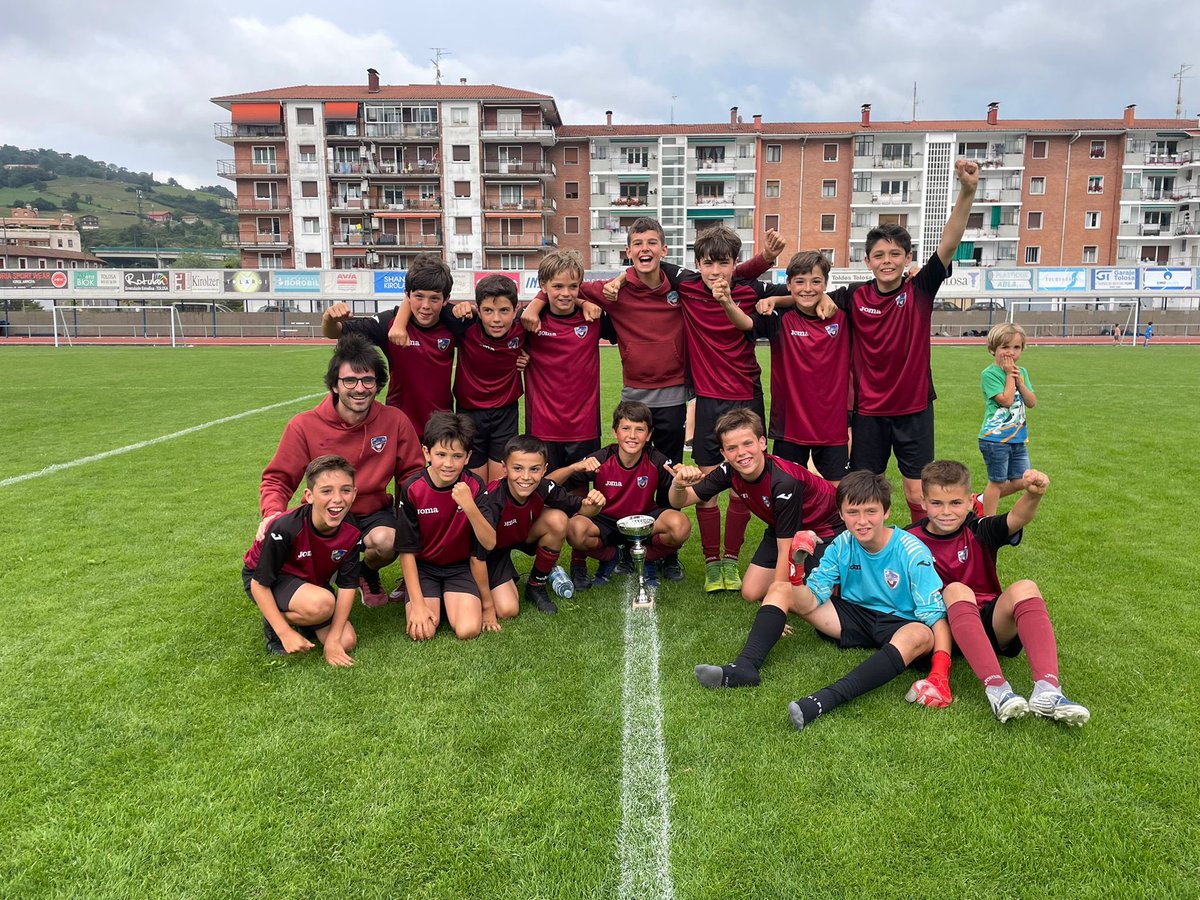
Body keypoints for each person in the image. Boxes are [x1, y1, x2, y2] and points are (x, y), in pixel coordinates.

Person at [690, 470, 949, 732]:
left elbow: (936, 617)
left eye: (871, 512)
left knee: (921, 634)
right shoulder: (841, 544)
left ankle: (825, 700)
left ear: (886, 512)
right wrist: (797, 567)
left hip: (900, 624)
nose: (862, 521)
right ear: (840, 514)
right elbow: (809, 602)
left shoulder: (912, 551)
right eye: (853, 512)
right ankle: (745, 667)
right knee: (781, 588)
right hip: (852, 617)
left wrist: (940, 673)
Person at [834, 159, 979, 523]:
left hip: (913, 408)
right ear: (867, 261)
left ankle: (917, 546)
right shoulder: (853, 296)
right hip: (869, 412)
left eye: (895, 254)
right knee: (870, 486)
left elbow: (950, 242)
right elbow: (810, 297)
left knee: (917, 490)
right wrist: (775, 299)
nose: (887, 261)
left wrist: (967, 191)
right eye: (879, 255)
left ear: (908, 258)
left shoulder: (920, 289)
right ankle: (875, 545)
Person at [907, 460, 1090, 725]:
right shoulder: (908, 540)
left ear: (971, 501)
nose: (946, 512)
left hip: (990, 626)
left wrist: (1033, 494)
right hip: (944, 632)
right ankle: (998, 691)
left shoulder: (979, 529)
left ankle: (1048, 691)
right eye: (937, 503)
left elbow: (1016, 518)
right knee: (957, 590)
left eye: (956, 503)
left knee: (1026, 586)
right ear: (923, 503)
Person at [258, 334, 424, 607]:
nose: (359, 388)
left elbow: (412, 475)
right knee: (319, 603)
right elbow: (278, 478)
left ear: (378, 384)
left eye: (367, 380)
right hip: (323, 516)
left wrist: (417, 517)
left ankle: (365, 572)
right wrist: (273, 513)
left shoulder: (394, 420)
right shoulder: (303, 425)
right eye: (350, 380)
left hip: (373, 514)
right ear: (335, 385)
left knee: (388, 540)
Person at [669, 408, 842, 603]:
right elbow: (680, 501)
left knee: (820, 595)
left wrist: (775, 606)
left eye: (747, 443)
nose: (741, 453)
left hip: (826, 529)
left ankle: (835, 566)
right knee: (751, 592)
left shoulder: (783, 482)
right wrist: (678, 485)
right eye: (732, 448)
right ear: (723, 453)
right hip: (783, 527)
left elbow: (785, 549)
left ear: (762, 443)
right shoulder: (728, 471)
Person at [718, 250, 851, 483]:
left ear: (826, 284)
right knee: (787, 489)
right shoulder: (777, 317)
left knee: (837, 493)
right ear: (788, 284)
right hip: (790, 427)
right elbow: (746, 323)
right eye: (799, 282)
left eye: (816, 282)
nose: (807, 288)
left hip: (832, 427)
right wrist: (727, 303)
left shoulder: (842, 313)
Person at [393, 274, 526, 485]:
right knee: (475, 484)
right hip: (470, 414)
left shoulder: (522, 327)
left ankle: (495, 519)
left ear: (516, 308)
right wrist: (399, 324)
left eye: (504, 311)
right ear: (478, 309)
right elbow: (418, 298)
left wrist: (528, 358)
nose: (496, 319)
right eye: (488, 311)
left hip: (506, 413)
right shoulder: (464, 325)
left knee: (500, 483)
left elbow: (547, 303)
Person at [549, 400, 692, 591]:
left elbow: (685, 486)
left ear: (648, 435)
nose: (632, 436)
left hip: (643, 521)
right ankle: (611, 556)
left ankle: (645, 556)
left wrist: (686, 475)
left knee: (680, 525)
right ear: (615, 432)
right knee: (575, 529)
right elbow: (547, 484)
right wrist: (573, 467)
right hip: (606, 522)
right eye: (626, 428)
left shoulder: (656, 458)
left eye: (639, 430)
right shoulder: (602, 458)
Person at [242, 455, 361, 666]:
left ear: (354, 493)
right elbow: (258, 584)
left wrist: (333, 641)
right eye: (326, 491)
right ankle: (275, 624)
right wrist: (285, 632)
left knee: (346, 640)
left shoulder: (352, 529)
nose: (337, 499)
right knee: (322, 604)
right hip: (269, 579)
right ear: (309, 495)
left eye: (345, 490)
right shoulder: (286, 527)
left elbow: (347, 585)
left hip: (309, 579)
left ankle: (306, 618)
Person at [472, 434, 606, 619]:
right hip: (491, 553)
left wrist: (596, 504)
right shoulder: (492, 499)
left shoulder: (543, 487)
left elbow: (584, 509)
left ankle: (536, 585)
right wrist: (487, 606)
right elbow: (476, 555)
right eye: (518, 468)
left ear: (544, 469)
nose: (526, 477)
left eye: (534, 469)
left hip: (520, 534)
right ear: (504, 468)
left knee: (558, 519)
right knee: (507, 610)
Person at [320, 253, 456, 434]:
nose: (425, 305)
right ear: (407, 295)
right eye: (419, 296)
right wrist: (329, 318)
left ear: (446, 299)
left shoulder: (453, 321)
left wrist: (469, 310)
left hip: (441, 424)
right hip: (399, 422)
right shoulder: (388, 323)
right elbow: (334, 332)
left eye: (434, 298)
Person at [392, 412, 492, 641]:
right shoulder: (412, 488)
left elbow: (489, 542)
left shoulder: (474, 485)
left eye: (457, 456)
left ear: (468, 457)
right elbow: (406, 551)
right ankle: (432, 600)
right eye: (441, 454)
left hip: (459, 567)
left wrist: (470, 507)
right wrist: (417, 604)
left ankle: (450, 601)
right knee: (423, 632)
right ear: (426, 452)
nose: (448, 464)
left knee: (468, 630)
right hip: (425, 569)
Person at [522, 250, 603, 475]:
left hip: (584, 427)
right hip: (543, 427)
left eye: (573, 286)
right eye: (557, 286)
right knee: (545, 491)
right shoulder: (529, 320)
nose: (566, 293)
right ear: (543, 285)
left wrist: (583, 301)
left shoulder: (593, 317)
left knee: (579, 495)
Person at [977, 322, 1037, 516]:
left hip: (1018, 438)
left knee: (1023, 480)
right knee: (997, 482)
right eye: (1005, 347)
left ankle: (979, 500)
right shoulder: (990, 374)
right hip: (995, 439)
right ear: (992, 350)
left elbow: (1031, 402)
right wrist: (1010, 377)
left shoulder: (1022, 372)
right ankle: (988, 520)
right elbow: (1006, 401)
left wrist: (1020, 381)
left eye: (1016, 347)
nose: (1011, 352)